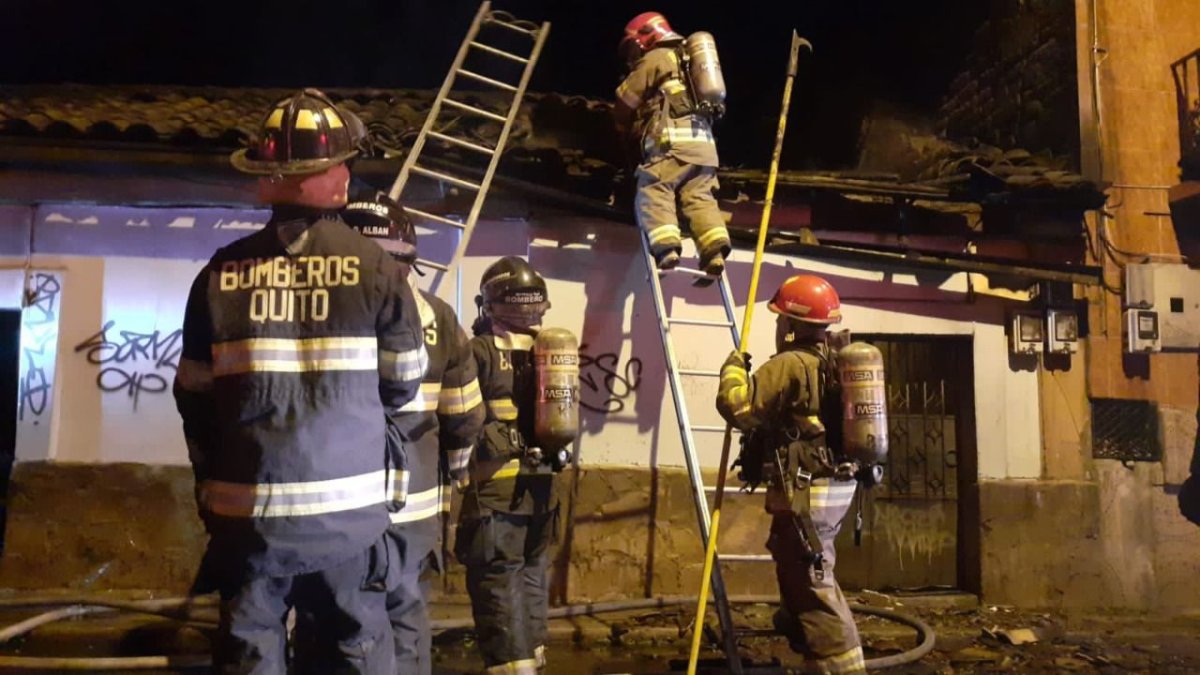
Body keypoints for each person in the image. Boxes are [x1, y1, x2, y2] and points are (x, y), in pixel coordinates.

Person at [173, 88, 427, 674]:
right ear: (321, 176)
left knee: (249, 648)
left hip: (249, 520)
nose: (345, 172)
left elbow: (194, 395)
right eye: (338, 162)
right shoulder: (378, 270)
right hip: (348, 521)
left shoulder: (219, 274)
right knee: (355, 645)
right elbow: (403, 385)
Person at [342, 192, 486, 674]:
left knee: (339, 617)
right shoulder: (438, 318)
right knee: (404, 612)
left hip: (336, 506)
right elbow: (464, 417)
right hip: (414, 506)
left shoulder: (319, 313)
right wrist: (459, 476)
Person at [715, 274, 866, 673]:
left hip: (806, 491)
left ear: (794, 324)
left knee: (813, 579)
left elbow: (739, 408)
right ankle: (801, 629)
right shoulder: (831, 362)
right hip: (829, 488)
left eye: (782, 318)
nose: (778, 324)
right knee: (793, 559)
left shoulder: (788, 364)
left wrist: (732, 369)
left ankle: (838, 663)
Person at [456, 257, 563, 674]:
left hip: (496, 496)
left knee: (497, 581)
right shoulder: (552, 353)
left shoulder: (478, 352)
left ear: (490, 303)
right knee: (533, 578)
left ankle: (509, 668)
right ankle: (534, 662)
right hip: (543, 491)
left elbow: (460, 416)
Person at [614, 11, 730, 278]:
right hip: (705, 150)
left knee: (655, 187)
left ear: (645, 36)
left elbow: (627, 99)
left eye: (633, 46)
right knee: (699, 198)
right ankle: (713, 252)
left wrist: (621, 126)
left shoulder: (657, 57)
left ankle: (666, 249)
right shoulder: (689, 64)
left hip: (673, 146)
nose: (633, 54)